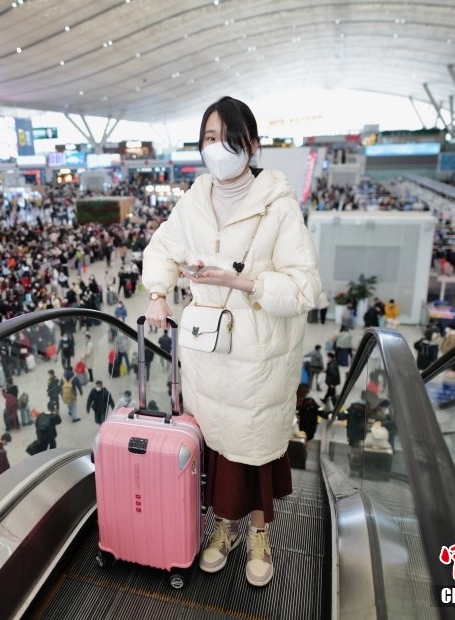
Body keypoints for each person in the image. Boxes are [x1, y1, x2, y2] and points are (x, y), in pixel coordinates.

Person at [142, 96, 320, 587]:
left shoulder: (278, 208)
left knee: (256, 445)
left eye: (228, 138)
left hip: (258, 356)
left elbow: (305, 288)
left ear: (253, 145)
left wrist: (242, 282)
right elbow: (162, 247)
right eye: (209, 139)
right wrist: (158, 292)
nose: (218, 149)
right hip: (207, 352)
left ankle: (259, 533)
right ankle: (225, 528)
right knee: (219, 446)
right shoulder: (194, 201)